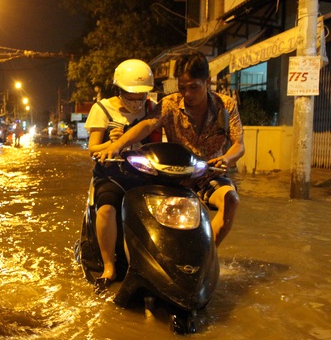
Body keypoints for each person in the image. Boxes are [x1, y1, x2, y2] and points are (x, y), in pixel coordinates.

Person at [99, 49, 245, 246]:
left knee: (231, 200)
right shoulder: (170, 104)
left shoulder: (225, 105)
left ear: (207, 82)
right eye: (182, 87)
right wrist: (117, 145)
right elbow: (148, 124)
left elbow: (239, 145)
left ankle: (208, 253)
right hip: (174, 176)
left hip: (209, 174)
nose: (187, 94)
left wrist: (227, 158)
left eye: (194, 87)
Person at [84, 59, 159, 292]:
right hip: (112, 174)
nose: (137, 101)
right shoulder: (103, 109)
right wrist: (111, 142)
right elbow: (92, 149)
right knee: (107, 207)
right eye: (131, 95)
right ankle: (109, 267)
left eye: (141, 96)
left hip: (145, 175)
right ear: (118, 89)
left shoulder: (153, 108)